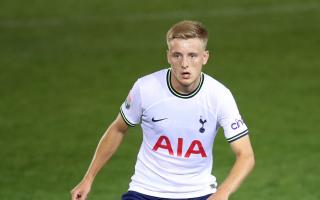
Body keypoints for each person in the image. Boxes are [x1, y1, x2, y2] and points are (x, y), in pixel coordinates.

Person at [71, 20, 255, 200]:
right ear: (168, 56)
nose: (185, 63)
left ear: (205, 57)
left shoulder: (219, 96)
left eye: (192, 55)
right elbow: (118, 128)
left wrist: (223, 192)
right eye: (177, 55)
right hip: (145, 191)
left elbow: (246, 155)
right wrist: (88, 179)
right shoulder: (146, 88)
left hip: (198, 193)